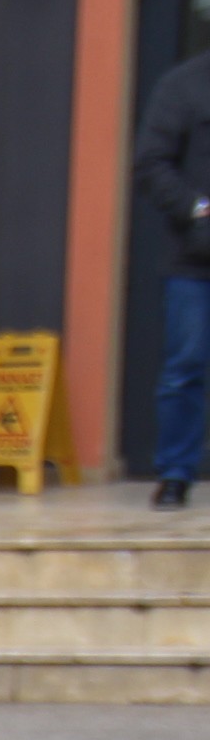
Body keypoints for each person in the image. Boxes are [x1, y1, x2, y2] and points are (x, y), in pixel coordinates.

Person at [134, 45, 210, 508]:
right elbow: (151, 162)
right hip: (194, 262)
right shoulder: (182, 85)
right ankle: (176, 473)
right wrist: (195, 209)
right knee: (185, 368)